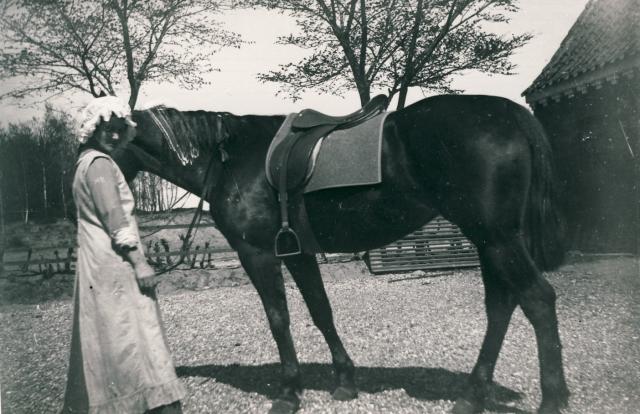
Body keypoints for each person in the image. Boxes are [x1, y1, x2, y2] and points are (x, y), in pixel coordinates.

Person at [62, 96, 185, 414]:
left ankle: (117, 400)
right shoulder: (100, 165)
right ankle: (150, 403)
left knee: (111, 335)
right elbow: (114, 217)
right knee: (133, 334)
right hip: (115, 263)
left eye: (119, 130)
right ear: (92, 129)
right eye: (108, 129)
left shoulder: (84, 162)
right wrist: (140, 262)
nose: (114, 136)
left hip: (96, 263)